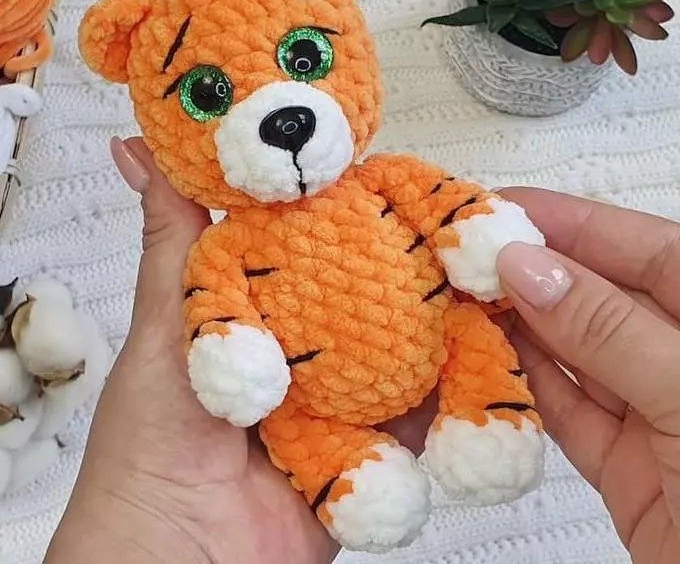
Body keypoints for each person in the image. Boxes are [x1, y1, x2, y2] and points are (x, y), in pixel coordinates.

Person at [45, 137, 680, 564]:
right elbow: (217, 307)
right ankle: (355, 479)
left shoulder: (385, 179)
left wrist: (483, 236)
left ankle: (485, 419)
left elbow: (449, 208)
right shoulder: (222, 249)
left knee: (475, 336)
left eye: (305, 59)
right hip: (314, 407)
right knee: (293, 424)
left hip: (443, 338)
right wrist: (231, 353)